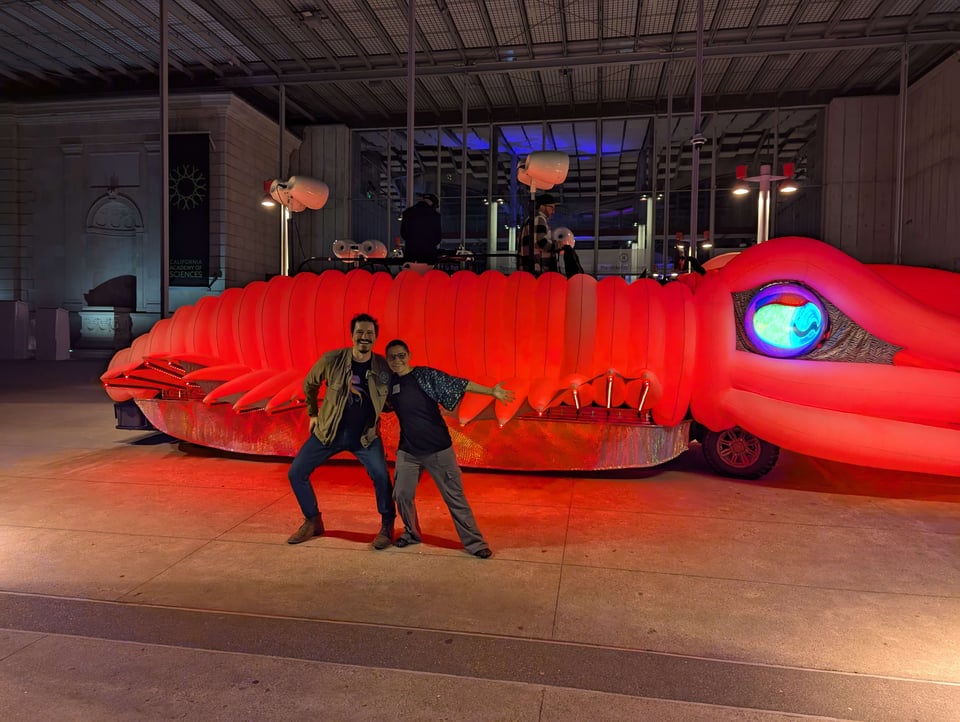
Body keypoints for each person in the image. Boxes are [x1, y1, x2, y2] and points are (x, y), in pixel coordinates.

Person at [383, 339, 515, 558]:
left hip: (438, 449)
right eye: (392, 357)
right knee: (402, 494)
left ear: (409, 355)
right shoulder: (391, 385)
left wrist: (491, 391)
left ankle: (475, 543)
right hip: (409, 451)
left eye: (401, 355)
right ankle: (411, 533)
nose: (397, 360)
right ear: (388, 361)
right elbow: (382, 404)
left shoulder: (424, 375)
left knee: (455, 497)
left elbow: (458, 384)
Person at [286, 313, 396, 549]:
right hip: (329, 432)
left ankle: (387, 524)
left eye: (369, 333)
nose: (364, 337)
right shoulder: (332, 359)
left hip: (365, 437)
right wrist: (313, 413)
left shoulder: (382, 367)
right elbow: (310, 384)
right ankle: (312, 520)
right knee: (296, 473)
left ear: (375, 337)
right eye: (360, 333)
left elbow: (394, 394)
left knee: (381, 477)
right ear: (352, 335)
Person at [519, 193, 559, 275]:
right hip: (539, 267)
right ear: (542, 207)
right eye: (551, 207)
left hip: (529, 266)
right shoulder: (539, 219)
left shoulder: (530, 219)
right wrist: (557, 246)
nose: (553, 211)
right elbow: (540, 242)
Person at [400, 193, 442, 264]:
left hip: (411, 253)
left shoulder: (407, 213)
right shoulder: (435, 215)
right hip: (428, 255)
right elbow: (438, 237)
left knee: (411, 274)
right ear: (432, 203)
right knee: (429, 275)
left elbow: (403, 233)